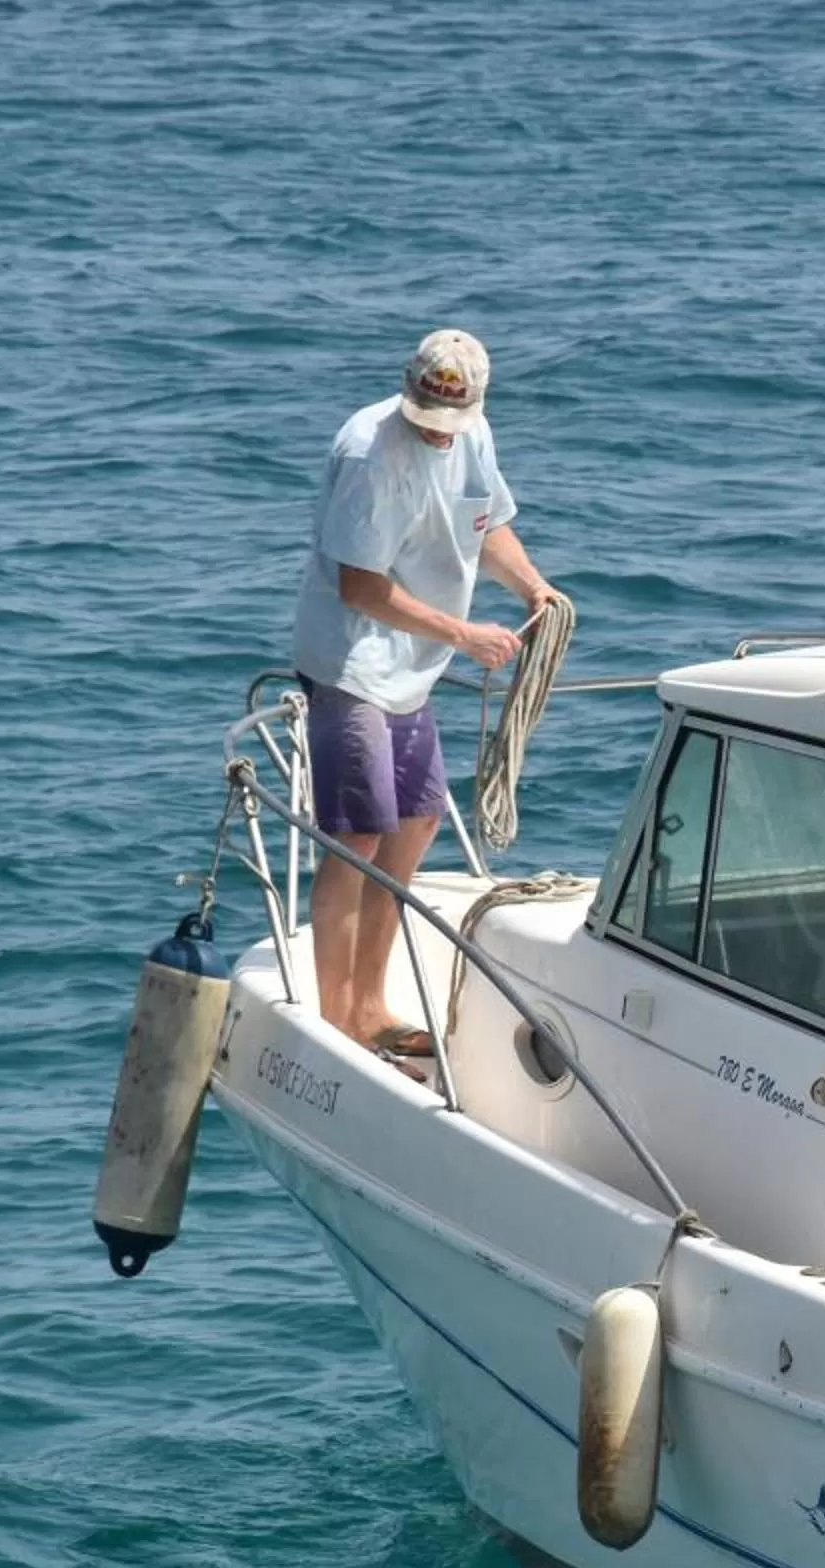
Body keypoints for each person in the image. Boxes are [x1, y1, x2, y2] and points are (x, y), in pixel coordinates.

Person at [292, 328, 556, 1053]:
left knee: (416, 824)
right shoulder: (368, 454)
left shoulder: (473, 434)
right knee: (358, 836)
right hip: (351, 661)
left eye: (450, 423)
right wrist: (465, 634)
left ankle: (372, 1004)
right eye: (427, 421)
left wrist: (532, 585)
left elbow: (485, 523)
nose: (438, 435)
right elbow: (360, 587)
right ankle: (336, 1017)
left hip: (414, 667)